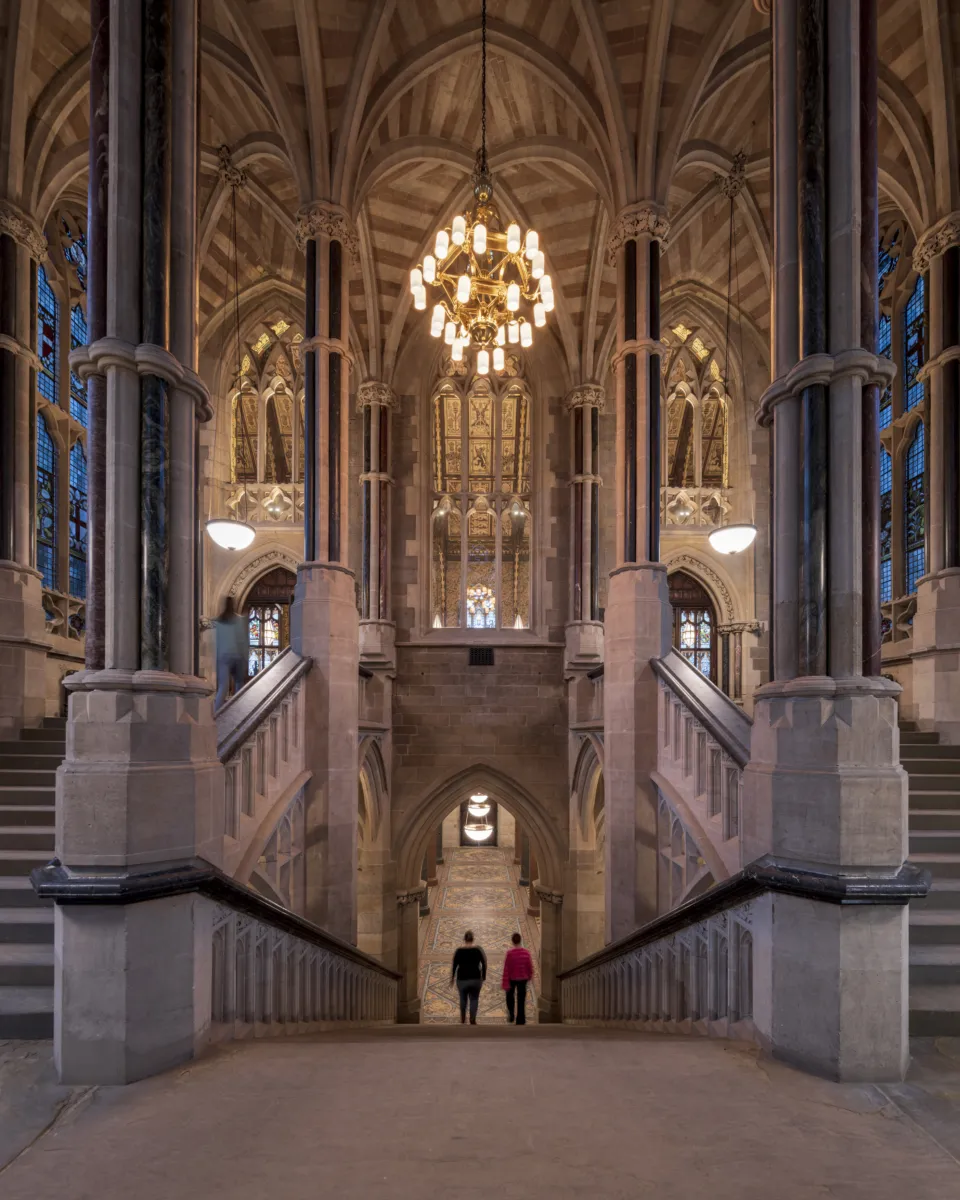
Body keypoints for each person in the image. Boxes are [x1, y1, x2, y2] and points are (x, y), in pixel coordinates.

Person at [213, 596, 249, 710]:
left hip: (222, 657)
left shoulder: (218, 621)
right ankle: (238, 711)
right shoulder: (238, 620)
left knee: (223, 687)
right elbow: (242, 640)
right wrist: (245, 657)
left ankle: (216, 713)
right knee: (239, 684)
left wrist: (217, 658)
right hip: (237, 656)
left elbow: (216, 642)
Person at [450, 930, 487, 1025]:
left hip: (462, 979)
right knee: (474, 999)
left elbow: (454, 965)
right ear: (473, 939)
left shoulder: (459, 951)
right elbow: (484, 962)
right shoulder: (478, 950)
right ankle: (472, 1019)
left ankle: (463, 1018)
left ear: (464, 939)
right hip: (475, 978)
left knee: (463, 998)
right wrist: (483, 976)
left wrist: (452, 977)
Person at [502, 932, 534, 1025]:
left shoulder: (509, 953)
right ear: (520, 940)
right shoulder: (526, 952)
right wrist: (530, 975)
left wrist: (505, 981)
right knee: (521, 999)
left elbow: (506, 967)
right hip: (523, 978)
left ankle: (511, 1014)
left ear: (512, 942)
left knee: (509, 996)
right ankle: (521, 1019)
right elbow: (529, 966)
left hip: (512, 977)